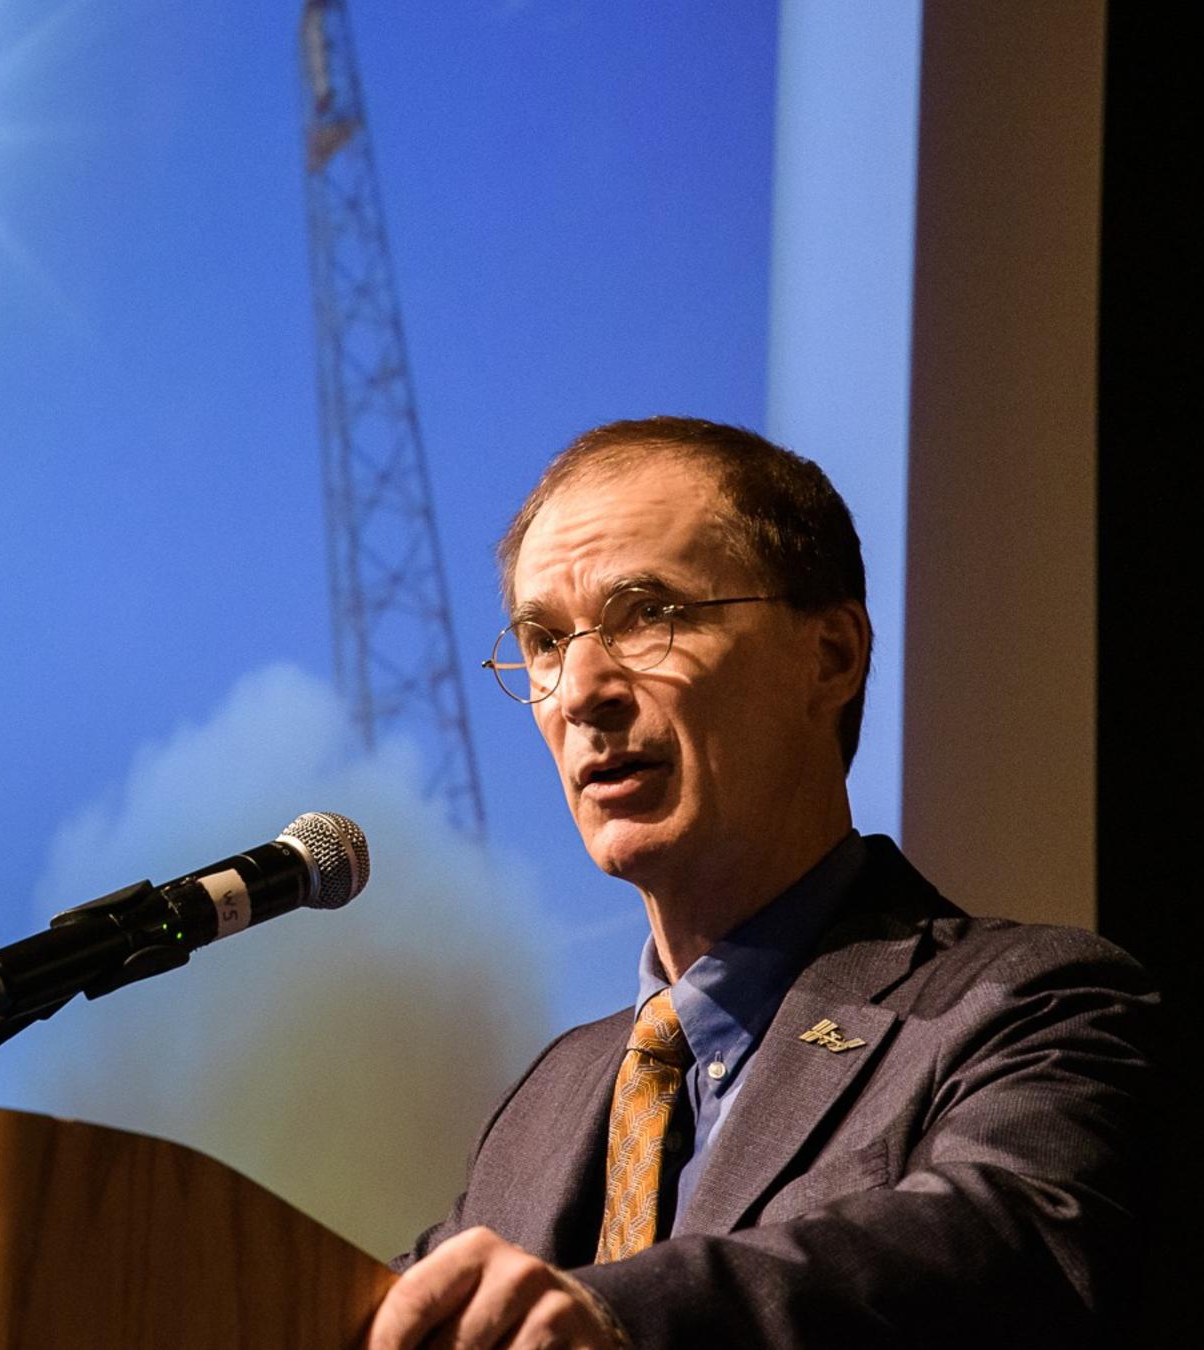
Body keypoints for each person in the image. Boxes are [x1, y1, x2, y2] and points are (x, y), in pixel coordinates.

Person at [369, 418, 1156, 1349]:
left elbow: (1000, 1251)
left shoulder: (1032, 1010)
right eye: (543, 642)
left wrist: (616, 1320)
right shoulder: (547, 1103)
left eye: (648, 614)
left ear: (831, 657)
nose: (581, 689)